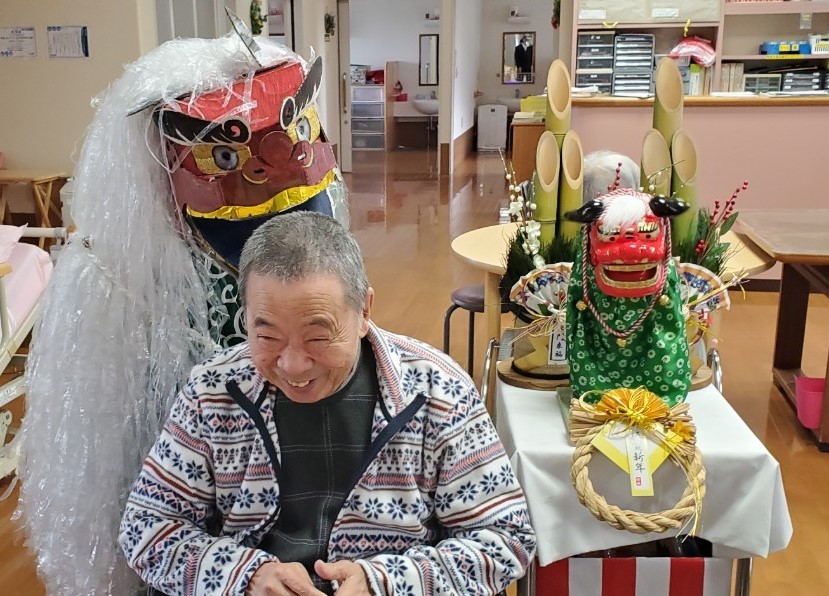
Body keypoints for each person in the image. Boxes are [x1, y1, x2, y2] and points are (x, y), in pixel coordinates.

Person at [119, 211, 536, 595]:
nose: (293, 365)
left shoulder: (436, 392)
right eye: (266, 336)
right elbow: (146, 527)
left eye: (318, 337)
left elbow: (505, 539)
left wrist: (384, 583)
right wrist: (247, 576)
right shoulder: (213, 392)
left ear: (364, 311)